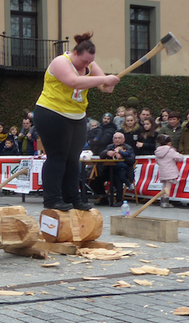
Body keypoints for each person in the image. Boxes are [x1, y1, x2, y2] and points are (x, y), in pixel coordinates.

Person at [33, 32, 120, 211]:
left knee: (74, 159)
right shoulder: (60, 62)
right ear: (75, 54)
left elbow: (102, 85)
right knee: (57, 158)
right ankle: (52, 199)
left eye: (90, 62)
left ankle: (73, 198)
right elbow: (74, 82)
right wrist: (104, 79)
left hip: (77, 116)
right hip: (52, 113)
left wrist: (107, 85)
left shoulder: (89, 63)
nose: (87, 65)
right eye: (84, 61)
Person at [94, 132, 135, 206]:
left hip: (123, 171)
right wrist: (107, 153)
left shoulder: (128, 148)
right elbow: (101, 155)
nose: (117, 140)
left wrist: (122, 157)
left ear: (123, 139)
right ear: (113, 140)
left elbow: (132, 160)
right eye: (115, 138)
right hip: (108, 170)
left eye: (119, 138)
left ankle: (119, 200)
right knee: (96, 180)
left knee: (117, 178)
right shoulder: (110, 146)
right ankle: (103, 198)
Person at [154, 134, 183, 208]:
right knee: (168, 187)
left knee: (164, 186)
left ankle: (162, 200)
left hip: (162, 171)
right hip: (170, 171)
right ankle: (165, 202)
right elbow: (180, 157)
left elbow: (157, 161)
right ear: (169, 142)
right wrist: (176, 159)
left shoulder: (158, 151)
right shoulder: (170, 150)